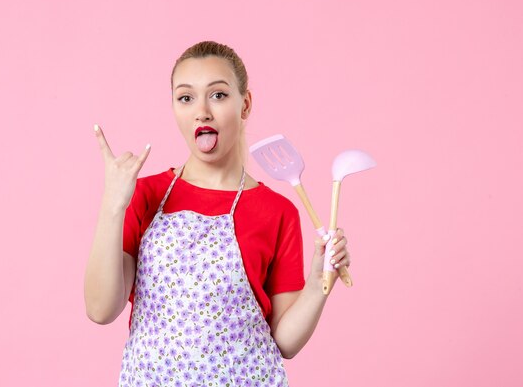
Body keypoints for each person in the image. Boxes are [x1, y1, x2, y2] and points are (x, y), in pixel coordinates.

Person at [84, 40, 352, 386]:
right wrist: (111, 204)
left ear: (246, 104)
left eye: (218, 95)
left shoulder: (277, 212)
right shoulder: (142, 196)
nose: (202, 112)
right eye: (186, 98)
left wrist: (318, 282)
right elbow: (100, 310)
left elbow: (285, 342)